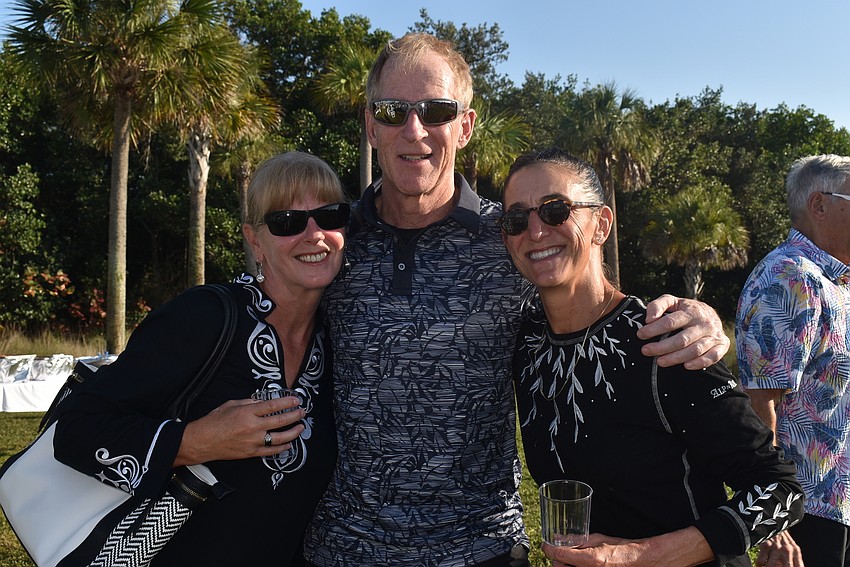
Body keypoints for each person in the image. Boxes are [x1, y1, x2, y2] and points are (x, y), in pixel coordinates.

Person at [303, 33, 731, 567]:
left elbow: (594, 302)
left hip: (481, 548)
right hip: (344, 548)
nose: (414, 129)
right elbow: (261, 323)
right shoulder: (327, 242)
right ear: (370, 124)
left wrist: (702, 317)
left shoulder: (514, 236)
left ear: (465, 125)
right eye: (393, 111)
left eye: (435, 110)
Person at [505, 147, 804, 567]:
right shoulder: (526, 344)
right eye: (516, 220)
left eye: (556, 211)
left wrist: (636, 555)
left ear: (601, 224)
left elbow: (780, 490)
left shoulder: (663, 338)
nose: (534, 231)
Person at [51, 151, 348, 565]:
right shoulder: (204, 317)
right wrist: (196, 441)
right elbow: (76, 432)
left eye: (329, 215)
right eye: (287, 222)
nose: (314, 235)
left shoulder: (341, 343)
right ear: (254, 239)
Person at [737, 154, 850, 566]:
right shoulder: (791, 278)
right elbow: (758, 401)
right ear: (819, 205)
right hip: (807, 509)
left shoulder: (836, 281)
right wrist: (774, 520)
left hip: (838, 498)